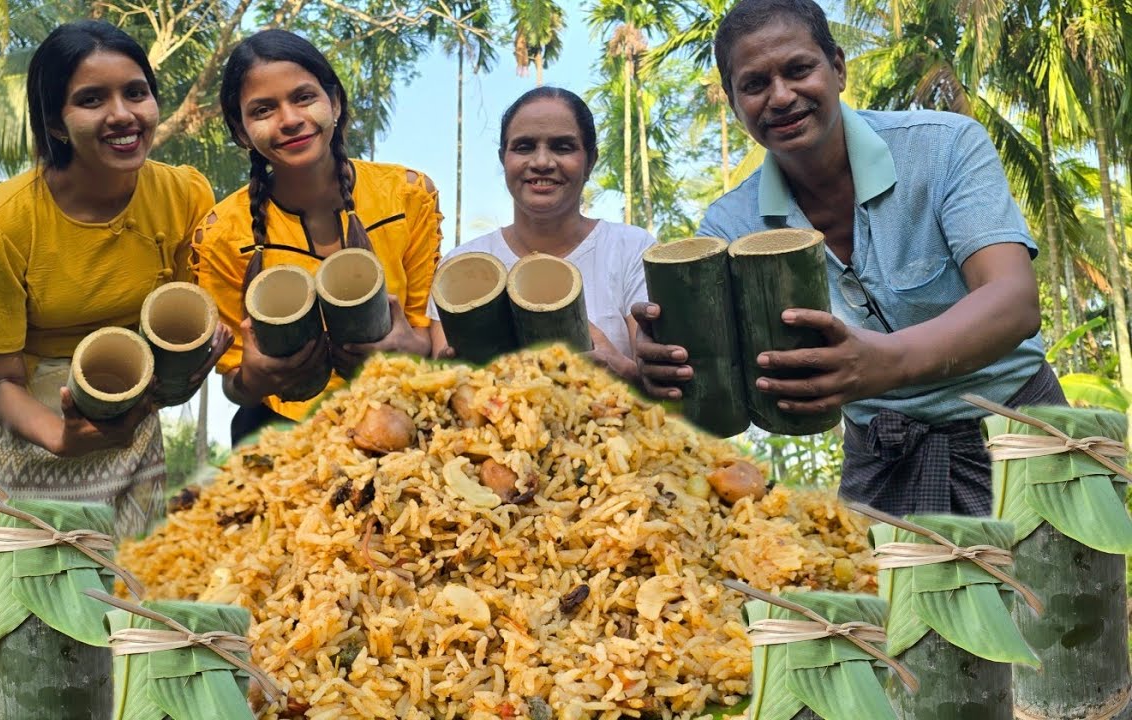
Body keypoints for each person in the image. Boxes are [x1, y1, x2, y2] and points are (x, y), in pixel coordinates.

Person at [634, 0, 1066, 516]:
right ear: (733, 101)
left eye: (798, 70)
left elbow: (1014, 301)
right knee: (880, 596)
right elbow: (724, 378)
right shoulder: (729, 226)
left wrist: (884, 364)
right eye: (754, 84)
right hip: (882, 462)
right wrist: (665, 364)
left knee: (1058, 595)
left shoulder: (945, 147)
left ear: (837, 68)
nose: (781, 96)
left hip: (1020, 432)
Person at [0, 20, 226, 537]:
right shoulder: (3, 225)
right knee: (28, 593)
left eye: (136, 93)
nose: (122, 115)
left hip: (129, 418)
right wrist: (62, 437)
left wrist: (195, 359)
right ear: (55, 124)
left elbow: (182, 327)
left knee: (124, 596)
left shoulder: (185, 197)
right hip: (26, 429)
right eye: (92, 100)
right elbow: (0, 381)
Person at [194, 30, 441, 444]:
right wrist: (254, 379)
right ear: (241, 131)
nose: (289, 119)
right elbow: (234, 381)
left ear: (335, 102)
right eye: (263, 110)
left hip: (404, 425)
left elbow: (430, 334)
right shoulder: (222, 234)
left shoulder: (407, 196)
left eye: (304, 97)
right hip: (281, 440)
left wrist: (411, 347)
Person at [429, 86, 655, 381]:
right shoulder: (463, 266)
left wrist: (626, 374)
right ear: (503, 158)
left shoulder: (631, 250)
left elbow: (660, 381)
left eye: (563, 147)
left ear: (591, 161)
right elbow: (442, 378)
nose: (542, 162)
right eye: (524, 147)